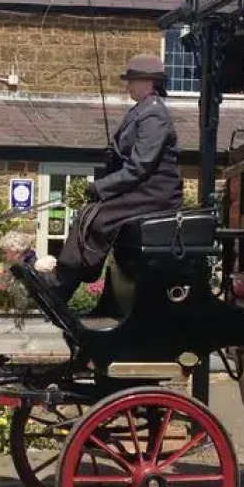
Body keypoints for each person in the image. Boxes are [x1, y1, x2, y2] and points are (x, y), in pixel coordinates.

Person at [43, 53, 183, 301]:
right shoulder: (141, 111)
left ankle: (64, 284)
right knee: (90, 213)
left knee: (96, 217)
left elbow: (140, 167)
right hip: (143, 189)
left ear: (149, 82)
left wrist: (99, 187)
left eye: (132, 80)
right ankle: (66, 280)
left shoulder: (154, 115)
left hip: (155, 193)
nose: (128, 85)